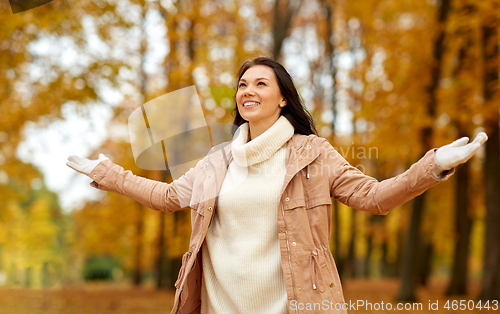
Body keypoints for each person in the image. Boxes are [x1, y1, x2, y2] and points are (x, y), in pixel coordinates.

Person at [67, 56, 488, 314]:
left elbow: (373, 197)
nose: (247, 91)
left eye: (260, 83)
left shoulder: (313, 154)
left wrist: (432, 165)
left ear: (282, 97)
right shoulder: (217, 162)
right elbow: (168, 196)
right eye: (242, 84)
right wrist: (110, 174)